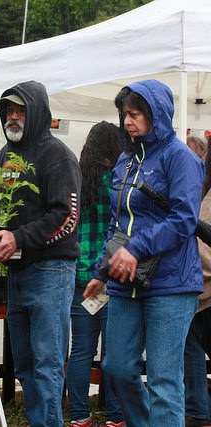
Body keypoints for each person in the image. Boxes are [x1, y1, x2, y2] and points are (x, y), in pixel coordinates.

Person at [84, 79, 204, 427]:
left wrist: (137, 248)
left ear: (157, 115)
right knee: (117, 368)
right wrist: (100, 272)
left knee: (165, 381)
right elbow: (115, 224)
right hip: (125, 282)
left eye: (134, 114)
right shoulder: (124, 161)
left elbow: (183, 220)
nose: (126, 122)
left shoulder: (181, 159)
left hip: (172, 283)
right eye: (124, 114)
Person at [0, 80, 81, 427]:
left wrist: (19, 238)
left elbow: (66, 217)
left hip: (51, 272)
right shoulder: (3, 158)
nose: (13, 116)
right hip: (17, 273)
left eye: (20, 110)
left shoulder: (56, 155)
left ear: (36, 112)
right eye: (8, 110)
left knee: (47, 363)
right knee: (26, 364)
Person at [67, 121, 124, 427]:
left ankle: (79, 416)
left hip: (80, 278)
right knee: (114, 353)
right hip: (112, 276)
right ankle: (115, 417)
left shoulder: (75, 180)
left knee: (80, 352)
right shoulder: (118, 181)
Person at [183, 141, 211, 427]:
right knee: (190, 347)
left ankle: (198, 409)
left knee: (190, 347)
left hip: (202, 288)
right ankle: (197, 408)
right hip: (198, 286)